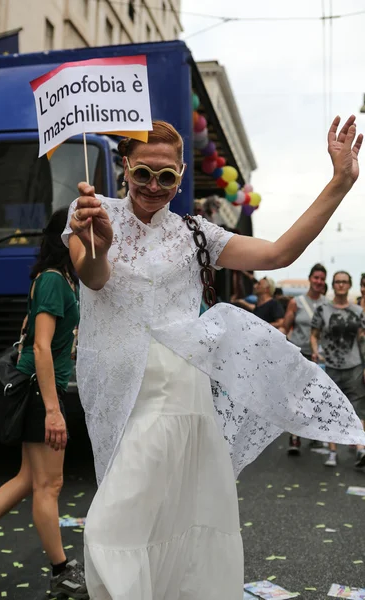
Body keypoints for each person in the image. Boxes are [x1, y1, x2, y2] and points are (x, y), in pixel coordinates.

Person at [64, 117, 364, 599]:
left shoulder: (194, 233)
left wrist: (340, 182)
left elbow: (278, 253)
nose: (154, 186)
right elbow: (94, 276)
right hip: (123, 393)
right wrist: (98, 242)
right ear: (125, 168)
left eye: (167, 176)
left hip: (182, 394)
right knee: (118, 527)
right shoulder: (90, 214)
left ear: (182, 175)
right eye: (144, 173)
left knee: (160, 522)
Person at [0, 209, 86, 599]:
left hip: (40, 390)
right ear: (65, 238)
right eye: (82, 232)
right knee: (49, 485)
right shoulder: (53, 280)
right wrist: (53, 409)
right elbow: (41, 345)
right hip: (40, 393)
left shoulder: (65, 279)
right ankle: (62, 573)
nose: (91, 238)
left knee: (27, 480)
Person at [311, 270, 365, 469]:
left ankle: (360, 448)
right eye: (337, 282)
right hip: (330, 365)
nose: (341, 285)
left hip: (354, 365)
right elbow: (314, 335)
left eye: (344, 282)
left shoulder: (358, 311)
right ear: (333, 285)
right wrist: (316, 352)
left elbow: (362, 339)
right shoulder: (323, 310)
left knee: (358, 408)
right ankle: (332, 451)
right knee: (330, 408)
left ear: (349, 285)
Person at [281, 263, 327, 454]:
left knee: (315, 397)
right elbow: (285, 326)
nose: (319, 281)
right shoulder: (296, 302)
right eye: (316, 277)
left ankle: (313, 434)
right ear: (310, 278)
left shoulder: (327, 304)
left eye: (322, 279)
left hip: (320, 355)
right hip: (299, 353)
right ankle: (294, 436)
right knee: (297, 395)